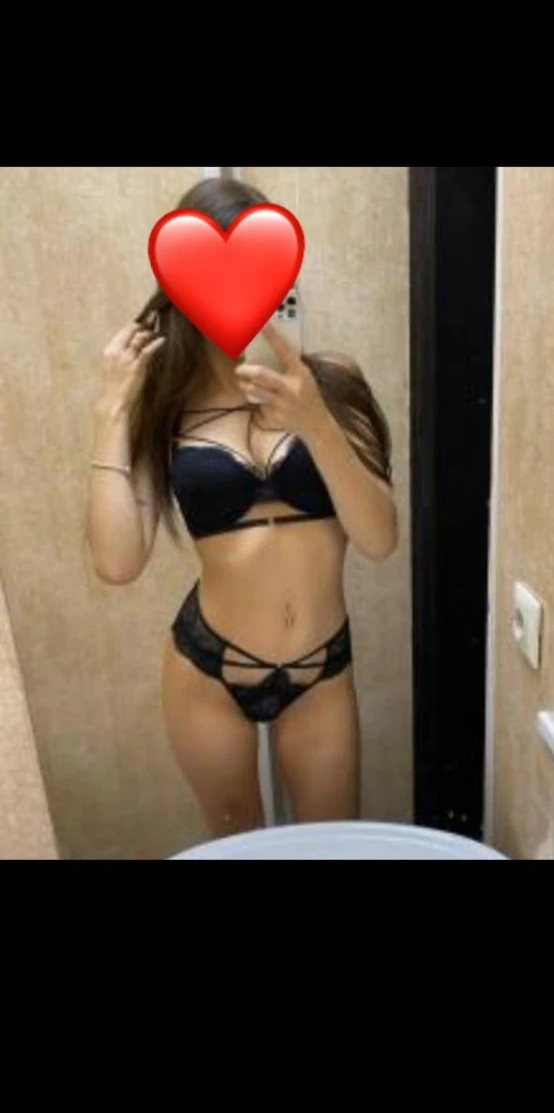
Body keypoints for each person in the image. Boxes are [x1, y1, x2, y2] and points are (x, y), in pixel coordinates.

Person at [86, 177, 398, 839]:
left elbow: (380, 539)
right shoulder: (165, 408)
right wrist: (112, 409)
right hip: (208, 672)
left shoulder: (333, 386)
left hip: (321, 672)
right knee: (238, 846)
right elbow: (117, 563)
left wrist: (314, 423)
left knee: (331, 845)